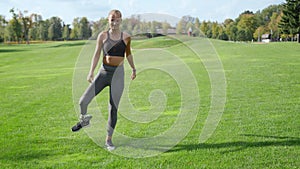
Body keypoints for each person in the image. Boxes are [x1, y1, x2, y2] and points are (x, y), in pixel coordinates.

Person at [71, 9, 136, 150]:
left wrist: (133, 68)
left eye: (117, 19)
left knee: (113, 108)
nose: (115, 22)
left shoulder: (126, 37)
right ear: (108, 20)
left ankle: (109, 140)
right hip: (103, 73)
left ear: (121, 21)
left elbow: (129, 54)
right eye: (112, 19)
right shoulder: (102, 36)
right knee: (83, 101)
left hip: (118, 76)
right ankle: (84, 120)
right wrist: (91, 72)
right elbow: (96, 55)